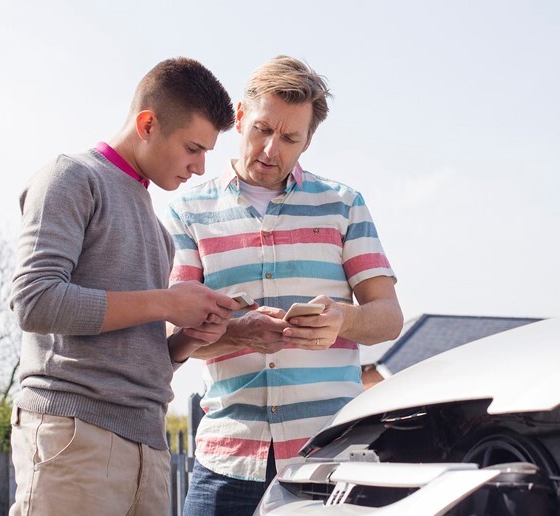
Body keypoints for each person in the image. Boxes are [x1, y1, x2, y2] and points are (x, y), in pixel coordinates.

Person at [165, 55, 404, 515]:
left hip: (329, 461)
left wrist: (343, 319)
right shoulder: (187, 212)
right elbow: (175, 338)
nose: (271, 149)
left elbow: (388, 317)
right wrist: (238, 333)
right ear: (238, 118)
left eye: (290, 137)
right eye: (261, 130)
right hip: (226, 462)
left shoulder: (344, 205)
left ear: (308, 141)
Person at [9, 57, 245, 515]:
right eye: (193, 148)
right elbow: (35, 301)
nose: (199, 167)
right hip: (75, 435)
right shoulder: (71, 177)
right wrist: (167, 302)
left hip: (150, 446)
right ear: (148, 123)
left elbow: (136, 348)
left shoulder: (159, 232)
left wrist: (186, 340)